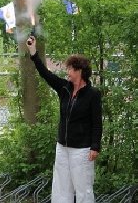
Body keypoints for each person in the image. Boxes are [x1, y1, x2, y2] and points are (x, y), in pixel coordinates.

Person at [26, 36, 103, 203]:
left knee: (83, 190)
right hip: (62, 148)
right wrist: (33, 53)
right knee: (61, 188)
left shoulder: (93, 95)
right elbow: (45, 74)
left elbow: (97, 123)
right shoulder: (64, 89)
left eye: (70, 69)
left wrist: (95, 146)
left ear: (80, 71)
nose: (67, 72)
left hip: (82, 151)